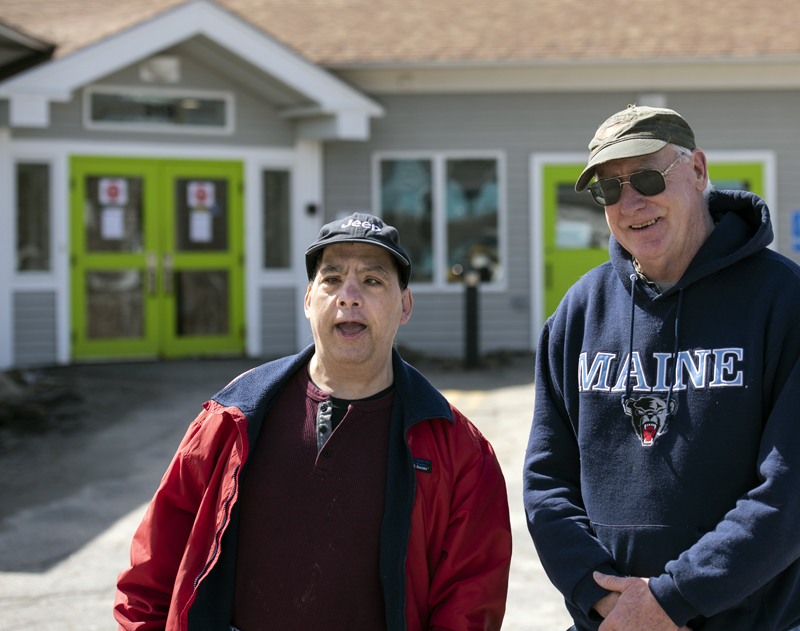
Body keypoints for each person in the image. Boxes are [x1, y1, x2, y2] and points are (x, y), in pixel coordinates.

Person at [114, 212, 511, 631]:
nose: (349, 296)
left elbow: (469, 606)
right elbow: (152, 572)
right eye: (332, 279)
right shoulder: (233, 417)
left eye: (373, 281)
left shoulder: (458, 451)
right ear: (308, 300)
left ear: (405, 305)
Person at [523, 105, 800, 631]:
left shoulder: (783, 302)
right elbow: (546, 480)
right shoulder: (580, 312)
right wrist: (596, 591)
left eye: (648, 177)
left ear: (697, 171)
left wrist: (674, 599)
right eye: (609, 189)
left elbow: (789, 491)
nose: (630, 203)